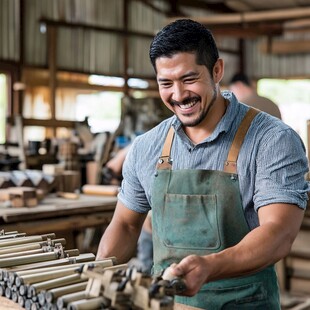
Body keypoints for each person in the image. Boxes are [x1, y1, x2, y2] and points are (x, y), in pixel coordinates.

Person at [96, 19, 309, 309]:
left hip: (245, 304)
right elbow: (125, 225)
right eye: (166, 83)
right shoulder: (147, 147)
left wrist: (210, 266)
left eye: (189, 79)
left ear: (217, 71)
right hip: (167, 304)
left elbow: (279, 234)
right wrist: (96, 276)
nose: (179, 95)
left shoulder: (272, 140)